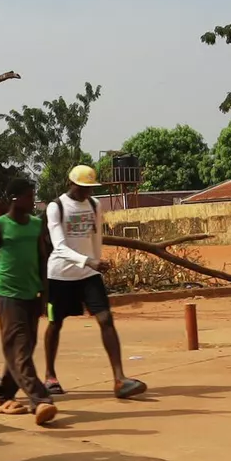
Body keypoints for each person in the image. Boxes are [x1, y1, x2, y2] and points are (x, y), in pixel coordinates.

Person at [44, 165, 149, 400]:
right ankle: (50, 376)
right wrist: (88, 261)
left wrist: (96, 264)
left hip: (89, 275)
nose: (87, 192)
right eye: (83, 188)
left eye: (90, 188)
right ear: (71, 184)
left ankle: (120, 379)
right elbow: (59, 247)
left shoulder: (94, 205)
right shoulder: (56, 207)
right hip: (60, 275)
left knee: (106, 319)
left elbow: (95, 238)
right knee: (55, 323)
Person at [0, 179, 58, 426]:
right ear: (14, 198)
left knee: (25, 346)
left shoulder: (35, 225)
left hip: (31, 292)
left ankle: (3, 394)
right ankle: (40, 399)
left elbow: (43, 259)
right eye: (28, 196)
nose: (32, 200)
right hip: (7, 293)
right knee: (19, 348)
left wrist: (45, 292)